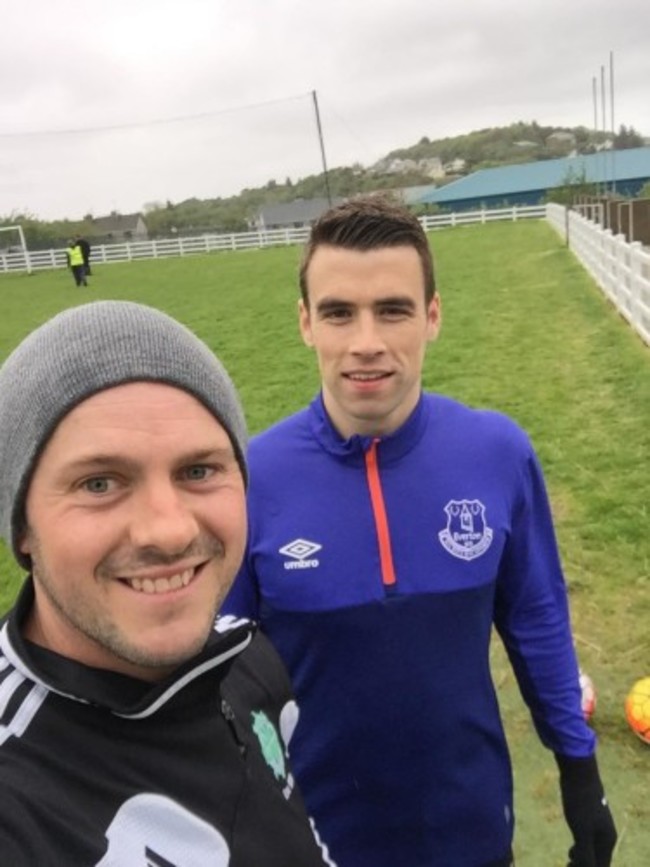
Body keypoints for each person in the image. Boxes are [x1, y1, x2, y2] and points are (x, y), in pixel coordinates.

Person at [223, 195, 617, 867]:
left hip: (470, 830)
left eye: (394, 309)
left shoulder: (497, 453)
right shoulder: (248, 478)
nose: (366, 341)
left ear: (432, 316)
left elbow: (537, 619)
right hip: (312, 841)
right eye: (339, 312)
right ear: (305, 324)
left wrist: (580, 774)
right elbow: (214, 678)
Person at [0, 300, 335, 867]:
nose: (170, 530)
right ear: (23, 526)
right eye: (100, 482)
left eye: (198, 471)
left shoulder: (247, 656)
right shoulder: (20, 798)